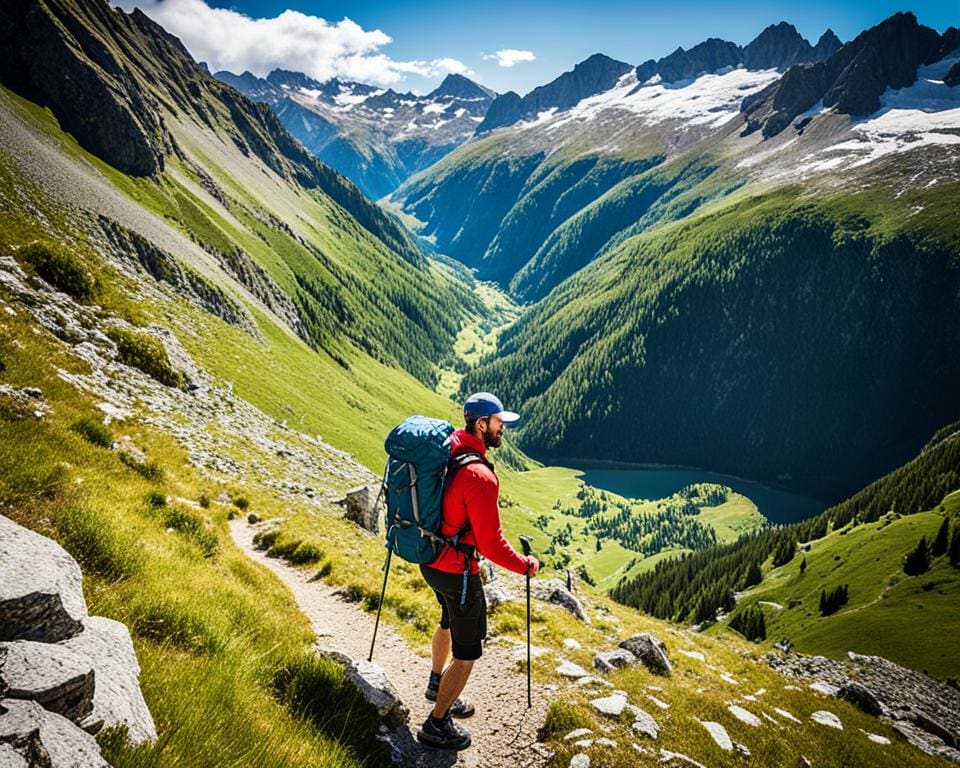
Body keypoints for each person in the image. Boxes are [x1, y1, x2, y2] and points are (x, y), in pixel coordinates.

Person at [416, 392, 540, 751]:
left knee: (446, 622)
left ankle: (437, 685)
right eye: (500, 422)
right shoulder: (480, 476)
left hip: (432, 560)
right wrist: (526, 566)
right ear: (481, 423)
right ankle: (436, 723)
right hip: (459, 571)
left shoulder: (451, 445)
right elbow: (491, 545)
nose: (504, 428)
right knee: (468, 651)